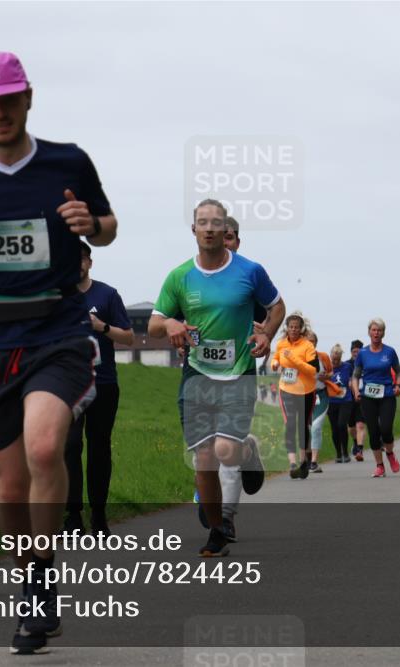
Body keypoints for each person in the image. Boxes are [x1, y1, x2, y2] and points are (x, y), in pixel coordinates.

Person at [0, 51, 118, 655]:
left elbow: (109, 226)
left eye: (10, 98)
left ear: (29, 97)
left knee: (43, 446)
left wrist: (92, 223)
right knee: (8, 489)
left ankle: (41, 581)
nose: (1, 110)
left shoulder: (67, 159)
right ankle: (34, 585)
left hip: (57, 329)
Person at [149, 199, 284, 555]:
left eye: (216, 223)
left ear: (227, 231)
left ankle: (245, 452)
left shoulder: (250, 271)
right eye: (202, 222)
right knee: (203, 459)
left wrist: (266, 333)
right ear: (193, 229)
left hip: (238, 371)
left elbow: (277, 306)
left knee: (225, 449)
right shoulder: (179, 276)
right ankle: (217, 530)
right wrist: (171, 323)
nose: (209, 228)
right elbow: (154, 322)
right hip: (197, 374)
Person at [63, 242, 133, 537]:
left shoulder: (107, 294)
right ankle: (73, 515)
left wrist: (100, 326)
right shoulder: (56, 295)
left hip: (103, 382)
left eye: (80, 259)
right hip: (67, 383)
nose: (75, 264)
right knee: (70, 446)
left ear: (89, 263)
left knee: (99, 448)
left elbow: (128, 337)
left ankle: (99, 514)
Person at [350, 319, 400, 478]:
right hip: (368, 397)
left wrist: (398, 385)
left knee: (386, 429)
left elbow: (399, 371)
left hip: (387, 395)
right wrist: (356, 391)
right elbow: (355, 375)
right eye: (373, 330)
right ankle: (380, 466)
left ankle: (390, 453)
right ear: (369, 332)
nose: (376, 333)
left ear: (383, 333)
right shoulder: (363, 354)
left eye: (379, 330)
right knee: (373, 432)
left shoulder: (389, 352)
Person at [272, 313, 318, 479]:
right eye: (291, 327)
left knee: (303, 425)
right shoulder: (281, 344)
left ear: (301, 329)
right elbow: (275, 358)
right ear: (287, 327)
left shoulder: (307, 346)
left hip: (306, 390)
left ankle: (304, 460)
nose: (293, 330)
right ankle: (292, 463)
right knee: (290, 423)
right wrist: (275, 363)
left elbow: (313, 370)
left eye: (296, 327)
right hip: (287, 389)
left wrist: (293, 360)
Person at [305, 331, 342, 472]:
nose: (310, 343)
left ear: (316, 342)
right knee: (306, 429)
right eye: (308, 341)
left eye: (312, 341)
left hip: (321, 396)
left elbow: (331, 372)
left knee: (316, 427)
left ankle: (314, 461)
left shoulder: (323, 357)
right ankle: (307, 460)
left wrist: (325, 377)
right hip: (305, 396)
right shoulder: (299, 357)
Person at [327, 344, 354, 462]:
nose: (335, 362)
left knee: (342, 425)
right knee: (334, 428)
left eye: (337, 359)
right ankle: (338, 453)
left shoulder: (347, 367)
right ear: (330, 357)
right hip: (331, 401)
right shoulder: (327, 368)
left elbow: (353, 377)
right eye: (333, 359)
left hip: (345, 399)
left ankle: (346, 452)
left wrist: (352, 382)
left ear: (341, 357)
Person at [349, 339, 367, 461]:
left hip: (363, 397)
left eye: (358, 351)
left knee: (360, 424)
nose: (356, 354)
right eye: (354, 351)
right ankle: (355, 442)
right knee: (351, 427)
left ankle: (360, 449)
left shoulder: (367, 363)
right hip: (349, 399)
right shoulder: (346, 365)